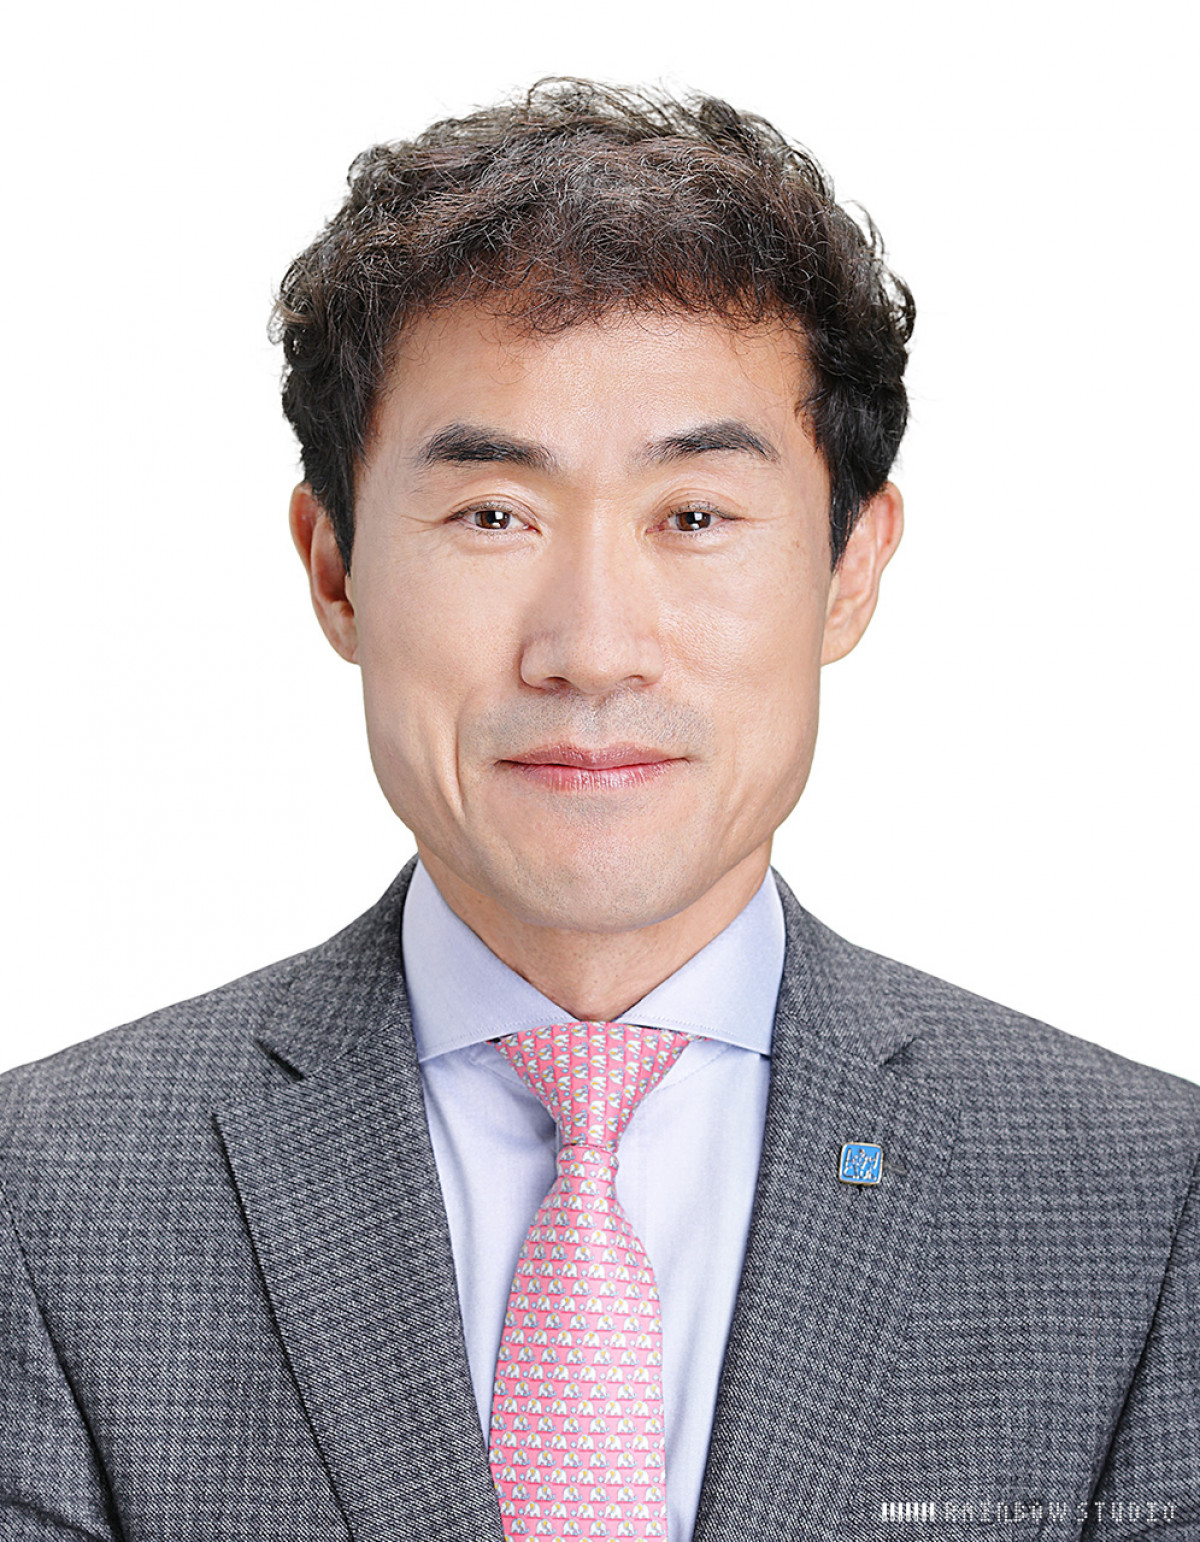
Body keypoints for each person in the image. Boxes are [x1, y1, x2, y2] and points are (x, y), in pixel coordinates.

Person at [1, 77, 1197, 1542]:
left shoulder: (1143, 1204)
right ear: (335, 569)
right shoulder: (49, 1199)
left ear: (850, 569)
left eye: (694, 516)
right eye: (492, 514)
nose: (592, 647)